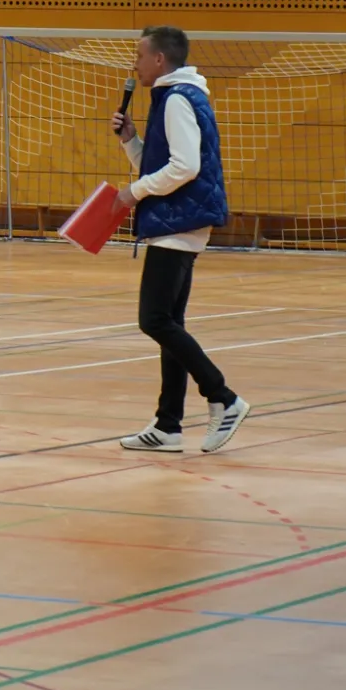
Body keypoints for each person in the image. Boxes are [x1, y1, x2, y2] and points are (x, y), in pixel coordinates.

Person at [114, 26, 250, 455]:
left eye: (139, 55)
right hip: (178, 220)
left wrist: (133, 192)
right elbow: (162, 164)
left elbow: (185, 168)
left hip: (178, 222)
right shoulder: (176, 97)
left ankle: (223, 397)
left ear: (159, 60)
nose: (135, 64)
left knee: (154, 320)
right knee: (169, 323)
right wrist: (131, 141)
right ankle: (167, 425)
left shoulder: (176, 99)